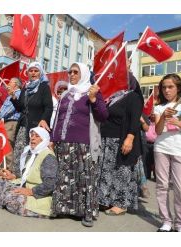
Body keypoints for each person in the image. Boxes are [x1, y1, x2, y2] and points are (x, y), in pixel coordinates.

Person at [50, 63, 108, 227]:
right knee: (64, 178)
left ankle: (86, 213)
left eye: (75, 72)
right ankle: (63, 208)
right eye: (70, 72)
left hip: (84, 144)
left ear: (83, 74)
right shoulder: (66, 94)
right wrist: (53, 139)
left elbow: (103, 116)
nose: (72, 75)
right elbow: (58, 119)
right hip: (64, 144)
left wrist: (93, 99)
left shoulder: (92, 92)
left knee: (85, 180)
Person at [97, 73, 144, 216]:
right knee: (107, 172)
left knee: (121, 172)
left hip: (121, 139)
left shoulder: (133, 96)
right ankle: (106, 200)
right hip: (107, 140)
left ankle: (120, 204)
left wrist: (129, 138)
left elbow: (135, 120)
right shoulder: (113, 97)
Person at [154, 74, 181, 232]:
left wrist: (178, 123)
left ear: (178, 88)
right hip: (161, 148)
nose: (166, 90)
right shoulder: (159, 107)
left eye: (170, 87)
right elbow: (157, 130)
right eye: (164, 87)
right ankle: (166, 221)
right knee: (162, 186)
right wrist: (163, 116)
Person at [10, 62, 53, 176]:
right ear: (27, 73)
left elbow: (48, 107)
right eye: (31, 71)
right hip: (23, 126)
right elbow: (20, 107)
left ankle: (27, 178)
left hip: (36, 127)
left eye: (36, 71)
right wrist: (14, 98)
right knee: (19, 151)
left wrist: (44, 119)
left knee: (31, 152)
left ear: (40, 73)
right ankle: (16, 176)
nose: (33, 73)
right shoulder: (26, 87)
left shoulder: (44, 87)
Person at [0, 77, 22, 172]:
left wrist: (0, 115)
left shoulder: (18, 93)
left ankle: (9, 168)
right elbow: (4, 107)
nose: (8, 84)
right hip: (5, 121)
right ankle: (3, 167)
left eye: (10, 82)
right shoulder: (9, 95)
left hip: (12, 122)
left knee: (8, 145)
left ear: (16, 84)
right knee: (3, 144)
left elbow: (11, 108)